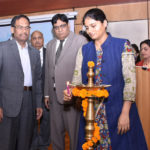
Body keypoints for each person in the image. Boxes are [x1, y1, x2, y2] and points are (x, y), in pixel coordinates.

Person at [64, 8, 148, 150]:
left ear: (105, 23)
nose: (90, 30)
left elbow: (130, 83)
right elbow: (77, 81)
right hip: (91, 113)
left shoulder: (123, 46)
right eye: (87, 27)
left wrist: (125, 112)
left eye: (93, 26)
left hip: (118, 109)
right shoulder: (84, 50)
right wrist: (70, 92)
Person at [44, 14, 87, 150]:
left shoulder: (81, 41)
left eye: (62, 26)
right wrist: (46, 94)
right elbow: (48, 70)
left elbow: (84, 69)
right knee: (56, 133)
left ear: (68, 25)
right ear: (53, 29)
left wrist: (79, 93)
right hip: (53, 95)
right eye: (56, 27)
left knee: (74, 134)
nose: (59, 30)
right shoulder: (50, 45)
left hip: (72, 96)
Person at [0, 15, 43, 150]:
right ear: (13, 29)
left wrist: (38, 104)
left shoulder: (34, 53)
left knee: (25, 141)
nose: (24, 31)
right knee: (7, 142)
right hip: (7, 103)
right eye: (20, 27)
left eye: (27, 27)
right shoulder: (2, 48)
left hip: (29, 101)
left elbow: (38, 81)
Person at [31, 30, 50, 150]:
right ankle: (33, 144)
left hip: (47, 95)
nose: (37, 40)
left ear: (43, 39)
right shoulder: (26, 54)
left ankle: (43, 145)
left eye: (39, 38)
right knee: (31, 121)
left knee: (46, 122)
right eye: (34, 38)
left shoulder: (49, 53)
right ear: (30, 40)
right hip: (31, 95)